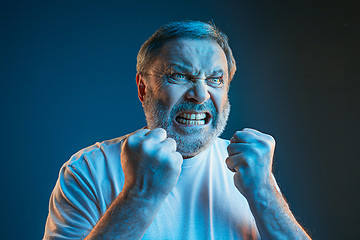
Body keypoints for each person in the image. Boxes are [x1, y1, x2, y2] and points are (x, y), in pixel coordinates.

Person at [43, 20, 311, 240]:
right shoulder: (88, 171)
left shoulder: (252, 171)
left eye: (215, 79)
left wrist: (265, 191)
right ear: (143, 88)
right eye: (180, 76)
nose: (200, 94)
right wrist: (139, 196)